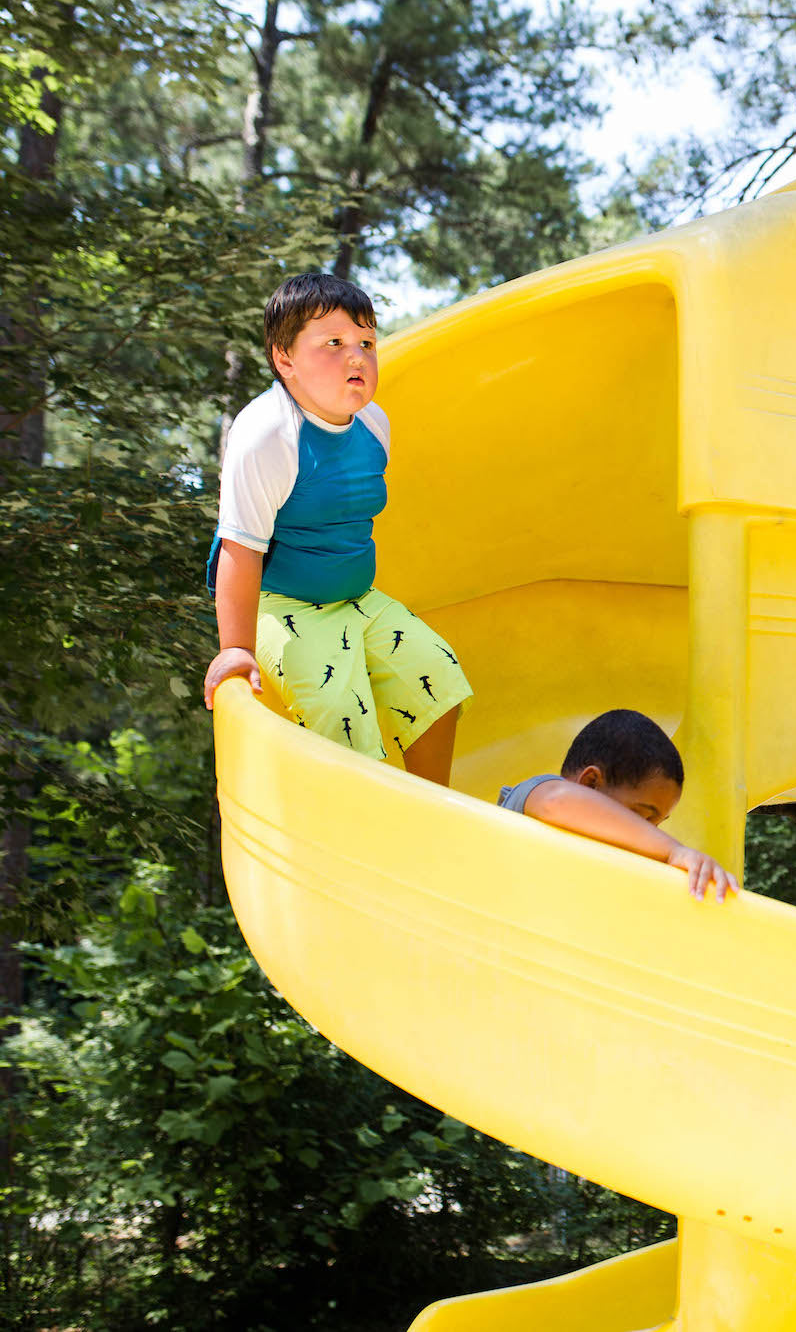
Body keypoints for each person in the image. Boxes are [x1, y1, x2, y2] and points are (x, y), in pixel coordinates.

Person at [201, 274, 471, 784]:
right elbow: (240, 546)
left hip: (355, 598)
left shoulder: (373, 423)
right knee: (340, 714)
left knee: (438, 673)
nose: (357, 357)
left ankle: (432, 806)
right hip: (281, 605)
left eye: (367, 343)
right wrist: (234, 648)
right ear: (285, 360)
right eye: (334, 343)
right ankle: (360, 836)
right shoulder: (268, 434)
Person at [498, 709, 739, 901]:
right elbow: (556, 801)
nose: (647, 835)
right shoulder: (530, 798)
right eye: (641, 817)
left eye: (655, 826)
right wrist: (675, 851)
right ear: (590, 783)